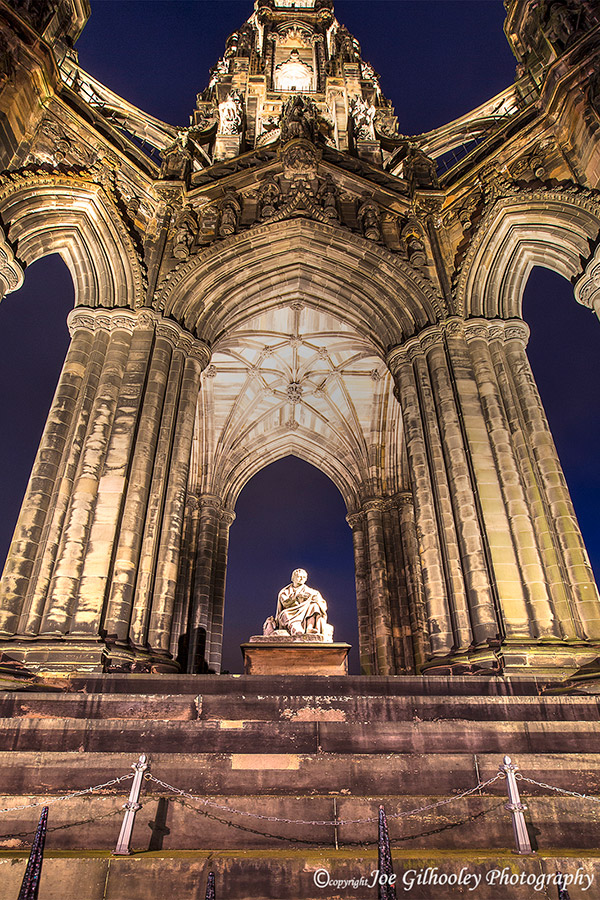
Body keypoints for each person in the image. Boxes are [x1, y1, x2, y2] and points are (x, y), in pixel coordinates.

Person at [264, 568, 334, 640]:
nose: (301, 579)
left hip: (305, 613)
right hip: (290, 612)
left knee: (314, 606)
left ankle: (309, 628)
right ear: (293, 578)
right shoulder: (285, 591)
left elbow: (322, 604)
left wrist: (314, 599)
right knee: (285, 614)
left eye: (303, 577)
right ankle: (297, 631)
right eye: (299, 577)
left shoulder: (311, 591)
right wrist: (295, 597)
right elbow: (285, 603)